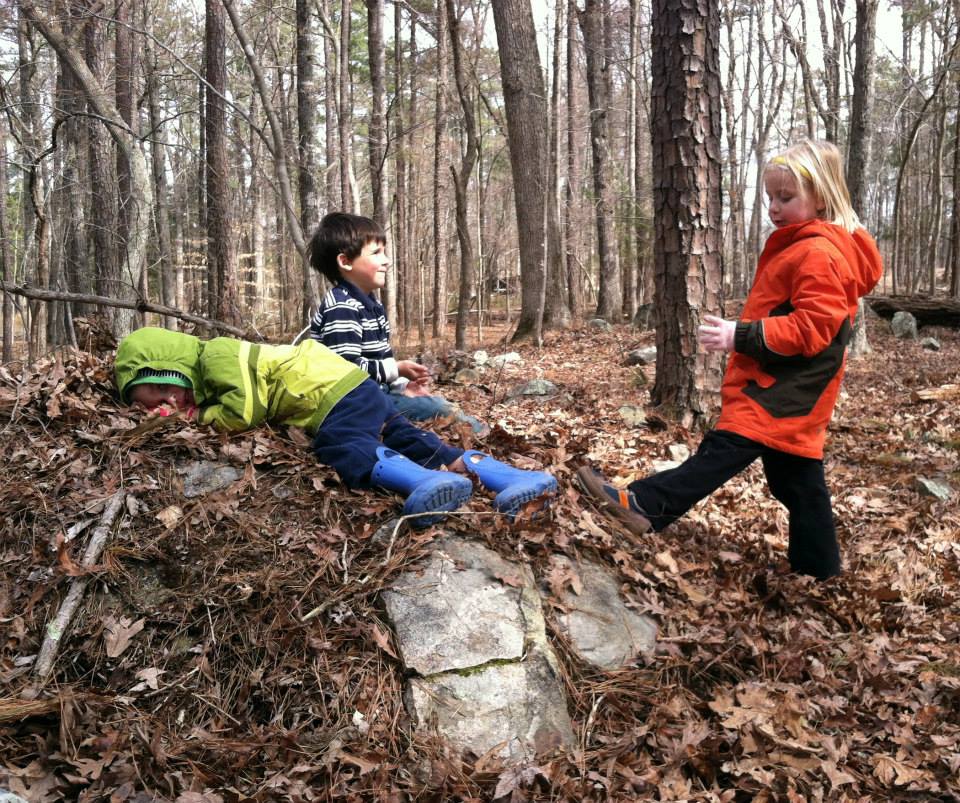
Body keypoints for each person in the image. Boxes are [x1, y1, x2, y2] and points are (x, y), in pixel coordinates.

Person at [577, 139, 882, 580]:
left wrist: (740, 335)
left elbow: (815, 328)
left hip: (784, 391)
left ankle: (643, 505)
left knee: (722, 451)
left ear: (820, 197)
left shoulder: (820, 253)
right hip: (782, 386)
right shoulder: (800, 243)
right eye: (770, 199)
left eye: (786, 198)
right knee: (796, 480)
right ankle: (819, 568)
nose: (774, 208)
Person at [115, 327, 556, 526]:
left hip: (329, 395)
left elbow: (245, 410)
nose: (170, 404)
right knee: (416, 439)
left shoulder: (216, 355)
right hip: (353, 388)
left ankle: (420, 485)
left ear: (165, 369)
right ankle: (511, 479)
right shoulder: (206, 375)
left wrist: (199, 418)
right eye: (154, 408)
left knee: (340, 445)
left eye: (160, 394)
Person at [307, 211, 487, 435]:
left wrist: (401, 385)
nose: (387, 260)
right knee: (439, 408)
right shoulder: (342, 306)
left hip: (374, 396)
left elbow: (379, 361)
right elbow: (346, 371)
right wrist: (396, 369)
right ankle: (480, 433)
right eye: (376, 253)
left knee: (431, 401)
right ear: (345, 262)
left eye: (384, 252)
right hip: (349, 405)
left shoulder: (370, 304)